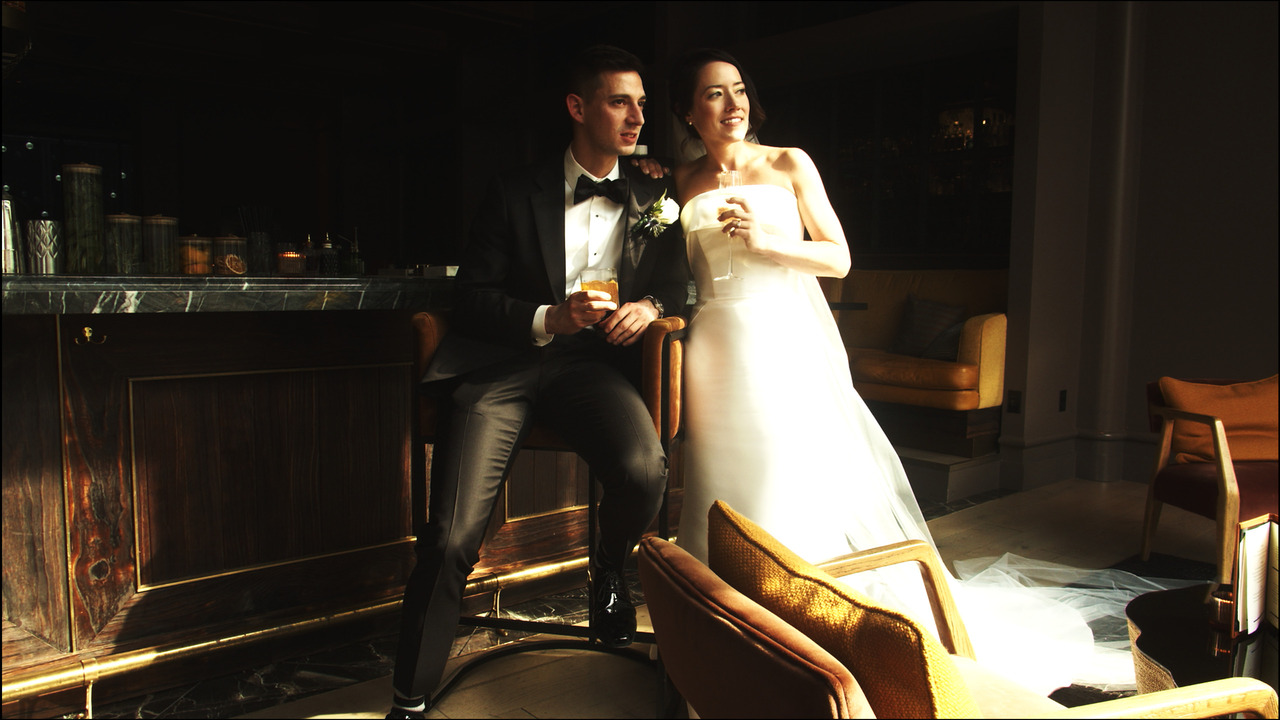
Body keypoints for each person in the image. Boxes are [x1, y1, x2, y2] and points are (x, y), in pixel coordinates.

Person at [666, 48, 1188, 696]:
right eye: (714, 94)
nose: (733, 104)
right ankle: (723, 629)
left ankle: (803, 633)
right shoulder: (680, 184)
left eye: (739, 90)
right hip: (712, 344)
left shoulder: (788, 163)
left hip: (777, 340)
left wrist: (765, 242)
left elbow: (839, 258)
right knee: (718, 484)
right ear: (688, 110)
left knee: (780, 475)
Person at [386, 45, 690, 719]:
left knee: (645, 473)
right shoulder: (512, 189)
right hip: (506, 365)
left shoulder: (653, 195)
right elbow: (470, 300)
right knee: (452, 533)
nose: (638, 115)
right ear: (578, 109)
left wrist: (649, 308)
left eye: (642, 102)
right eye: (620, 101)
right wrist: (547, 315)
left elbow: (676, 284)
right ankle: (408, 699)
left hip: (592, 371)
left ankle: (607, 567)